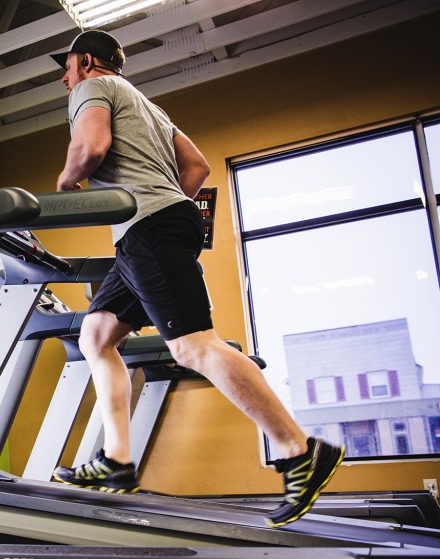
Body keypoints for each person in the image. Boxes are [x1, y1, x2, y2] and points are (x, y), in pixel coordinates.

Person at [47, 30, 344, 528]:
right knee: (96, 335)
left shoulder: (91, 90)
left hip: (147, 226)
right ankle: (117, 462)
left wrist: (65, 184)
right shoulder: (148, 106)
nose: (65, 77)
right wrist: (167, 203)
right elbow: (197, 166)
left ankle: (300, 450)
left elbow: (91, 147)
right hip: (154, 226)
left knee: (192, 346)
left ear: (90, 61)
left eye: (70, 66)